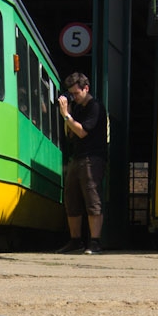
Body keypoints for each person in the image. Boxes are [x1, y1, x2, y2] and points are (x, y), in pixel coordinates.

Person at [55, 71, 106, 254]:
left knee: (92, 199)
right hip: (77, 158)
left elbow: (82, 131)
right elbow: (70, 135)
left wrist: (66, 115)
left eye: (76, 93)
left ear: (86, 88)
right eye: (71, 94)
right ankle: (75, 241)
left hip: (92, 158)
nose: (74, 97)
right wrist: (69, 115)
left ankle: (95, 242)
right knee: (71, 199)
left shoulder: (95, 107)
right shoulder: (77, 108)